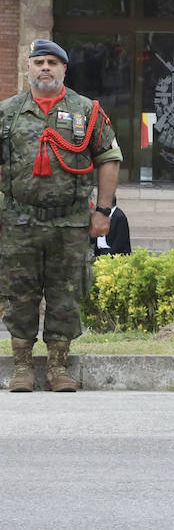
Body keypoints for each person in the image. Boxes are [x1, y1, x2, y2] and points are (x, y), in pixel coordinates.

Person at [2, 39, 122, 392]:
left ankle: (58, 367)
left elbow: (109, 159)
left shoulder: (87, 111)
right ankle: (22, 366)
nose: (45, 68)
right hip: (18, 220)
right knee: (19, 294)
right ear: (28, 68)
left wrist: (103, 211)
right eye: (38, 62)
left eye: (53, 63)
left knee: (65, 294)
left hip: (70, 221)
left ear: (64, 69)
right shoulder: (7, 113)